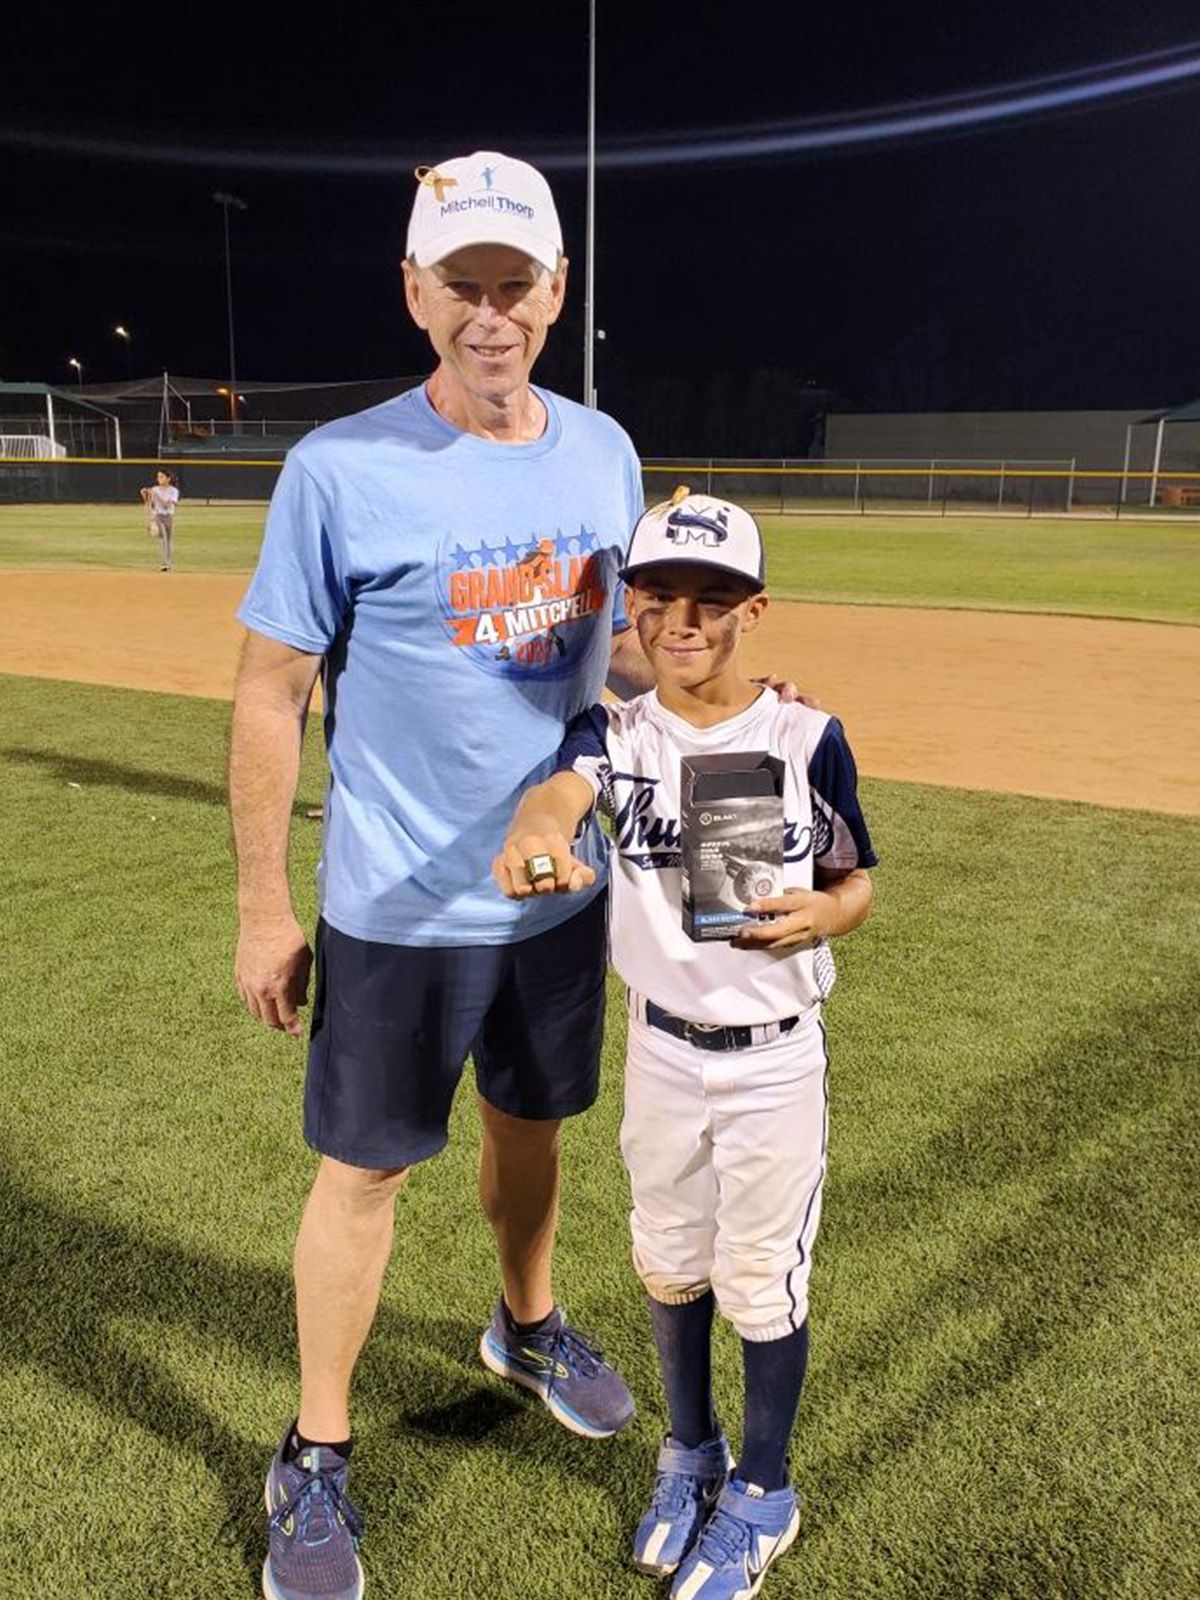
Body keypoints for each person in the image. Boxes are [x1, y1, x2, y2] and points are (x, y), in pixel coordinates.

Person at [229, 151, 654, 1600]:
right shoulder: (339, 469)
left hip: (559, 894)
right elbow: (268, 692)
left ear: (557, 291)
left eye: (515, 285)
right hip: (399, 908)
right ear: (415, 294)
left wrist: (708, 662)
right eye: (461, 286)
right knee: (366, 1174)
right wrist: (264, 908)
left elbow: (615, 654)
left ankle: (523, 1325)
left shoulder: (603, 451)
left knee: (534, 1133)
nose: (492, 315)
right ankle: (319, 1448)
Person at [494, 492, 877, 1600]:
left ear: (755, 609)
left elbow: (858, 880)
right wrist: (534, 834)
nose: (684, 620)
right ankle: (689, 1451)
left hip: (772, 1060)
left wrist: (826, 913)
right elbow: (562, 795)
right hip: (661, 1050)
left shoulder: (806, 735)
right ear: (633, 605)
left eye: (713, 600)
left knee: (759, 1278)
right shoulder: (616, 734)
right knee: (667, 1257)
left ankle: (763, 1491)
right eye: (660, 596)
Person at [141, 469, 179, 569]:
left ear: (168, 479)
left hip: (169, 517)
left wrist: (155, 495)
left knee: (169, 540)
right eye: (158, 477)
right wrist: (144, 495)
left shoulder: (173, 491)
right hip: (158, 516)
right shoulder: (155, 489)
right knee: (163, 538)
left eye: (161, 476)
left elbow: (166, 505)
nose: (159, 479)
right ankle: (164, 563)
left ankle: (168, 563)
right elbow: (150, 504)